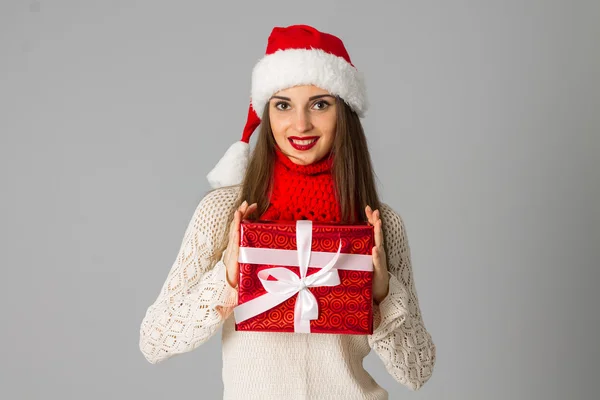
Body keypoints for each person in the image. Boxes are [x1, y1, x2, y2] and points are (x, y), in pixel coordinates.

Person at [139, 24, 436, 399]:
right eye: (283, 105)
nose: (300, 124)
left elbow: (417, 370)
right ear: (267, 112)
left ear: (343, 112)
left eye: (320, 104)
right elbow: (155, 341)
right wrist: (227, 278)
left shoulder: (379, 222)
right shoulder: (225, 212)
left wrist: (382, 295)